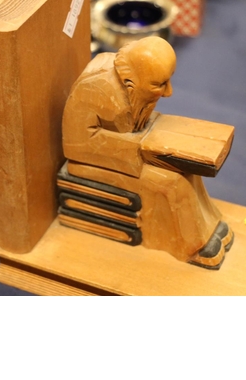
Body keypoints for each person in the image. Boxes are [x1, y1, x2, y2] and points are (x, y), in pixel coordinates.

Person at [62, 37, 233, 268]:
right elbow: (77, 144)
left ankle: (209, 223)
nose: (169, 93)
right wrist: (142, 146)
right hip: (91, 161)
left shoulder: (130, 87)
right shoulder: (95, 89)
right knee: (170, 181)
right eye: (159, 84)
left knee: (185, 168)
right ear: (131, 81)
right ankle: (191, 247)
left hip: (125, 150)